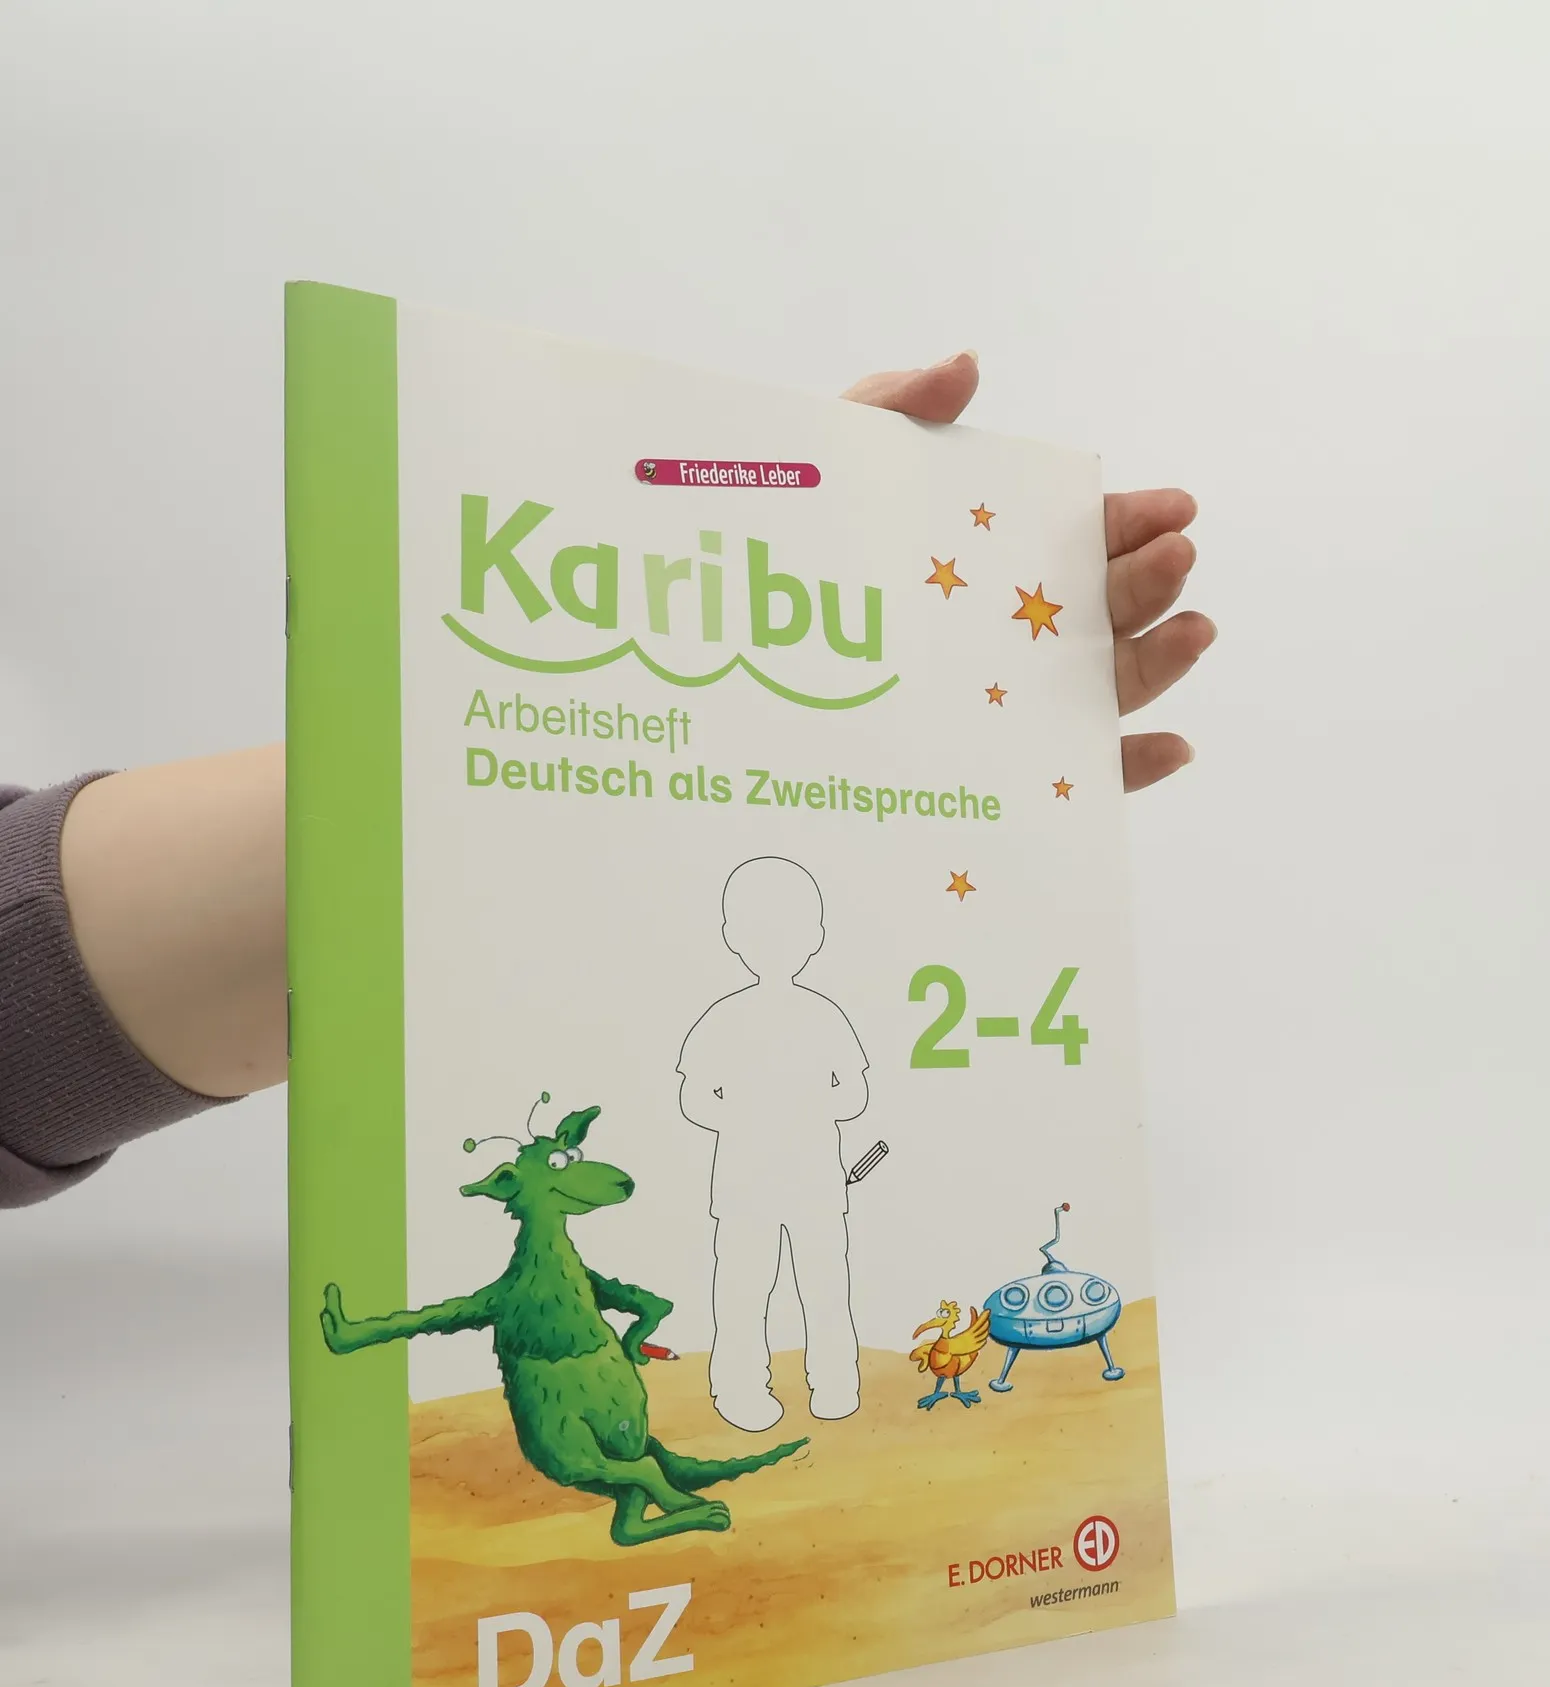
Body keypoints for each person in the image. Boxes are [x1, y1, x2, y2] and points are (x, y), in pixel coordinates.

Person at [0, 353, 1215, 1209]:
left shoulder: (787, 1018)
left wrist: (691, 709)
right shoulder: (751, 1023)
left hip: (783, 1190)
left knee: (807, 1304)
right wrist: (658, 711)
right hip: (747, 1190)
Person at [678, 858, 869, 1431]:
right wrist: (744, 1116)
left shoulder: (824, 1016)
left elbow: (854, 1094)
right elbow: (694, 1098)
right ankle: (739, 1389)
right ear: (733, 936)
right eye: (762, 931)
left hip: (816, 1185)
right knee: (742, 1291)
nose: (777, 945)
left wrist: (811, 1106)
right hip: (745, 1188)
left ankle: (835, 1384)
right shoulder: (723, 1019)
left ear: (815, 936)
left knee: (825, 1288)